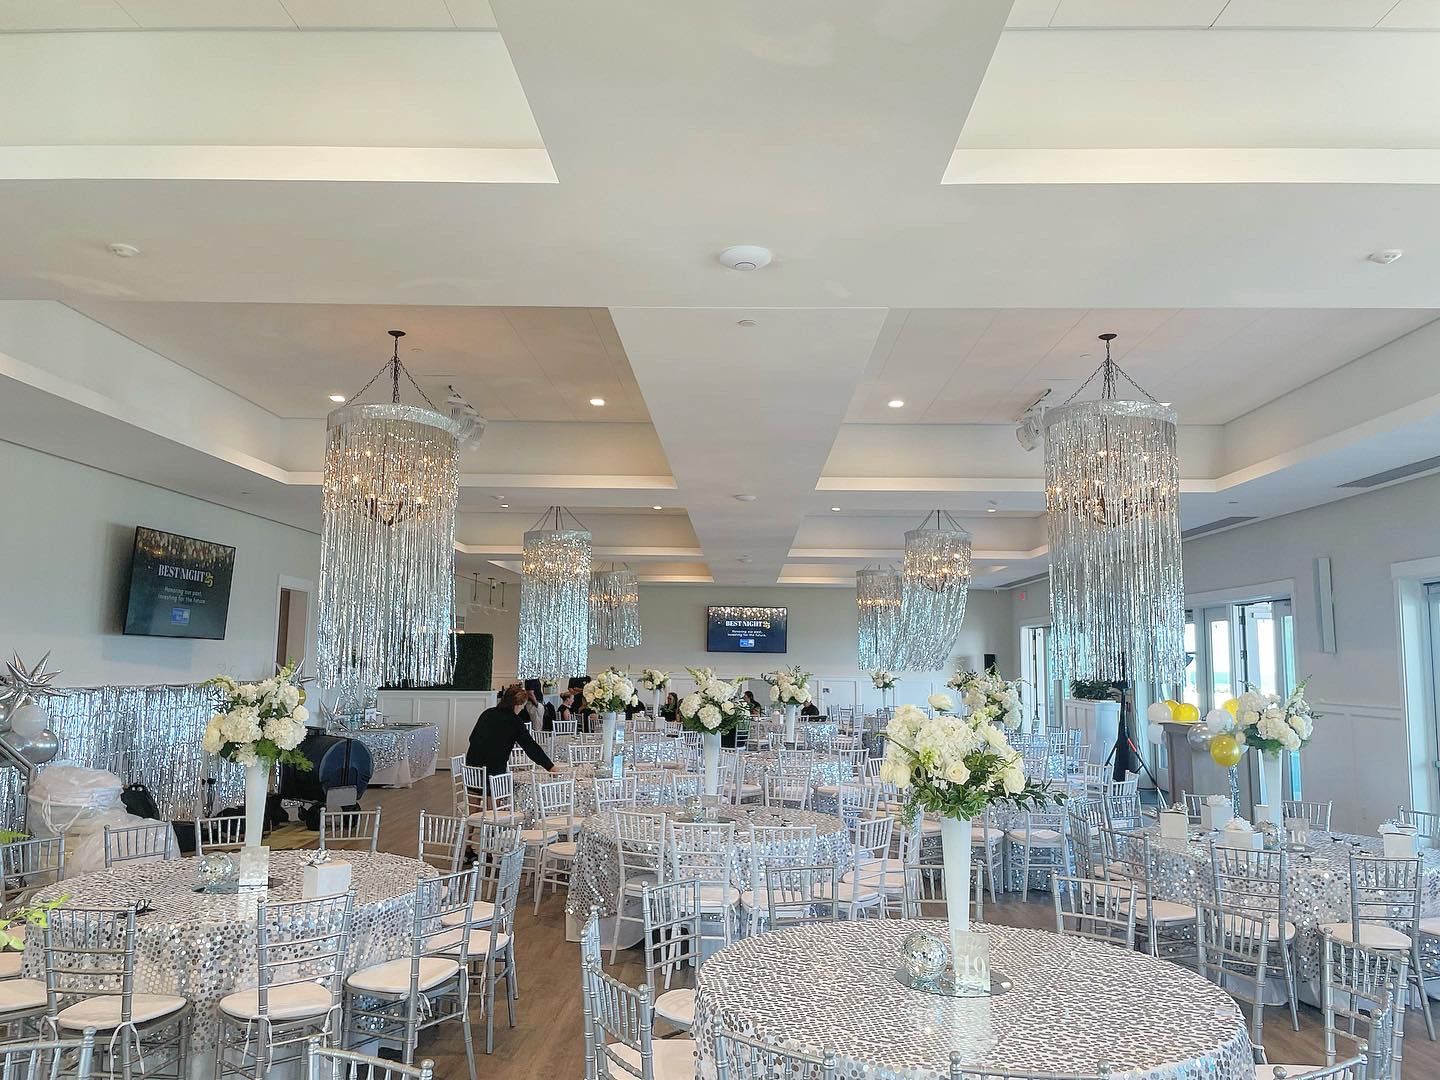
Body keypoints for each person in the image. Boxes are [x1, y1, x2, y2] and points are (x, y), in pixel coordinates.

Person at [467, 683, 557, 776]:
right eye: (523, 705)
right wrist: (550, 767)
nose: (522, 708)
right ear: (517, 704)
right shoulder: (514, 721)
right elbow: (531, 747)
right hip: (492, 779)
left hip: (471, 774)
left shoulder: (487, 713)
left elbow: (472, 738)